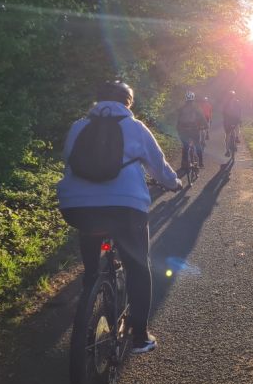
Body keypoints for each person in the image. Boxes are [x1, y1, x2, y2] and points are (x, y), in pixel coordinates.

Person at [57, 80, 181, 354]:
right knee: (138, 267)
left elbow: (68, 159)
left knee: (91, 250)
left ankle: (91, 284)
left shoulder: (78, 127)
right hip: (125, 210)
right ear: (128, 102)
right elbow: (158, 166)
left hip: (77, 208)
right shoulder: (135, 127)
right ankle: (140, 337)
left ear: (98, 101)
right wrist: (174, 183)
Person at [176, 91, 208, 169]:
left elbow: (178, 120)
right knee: (197, 145)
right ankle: (201, 163)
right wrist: (205, 125)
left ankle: (184, 164)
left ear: (186, 98)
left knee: (185, 146)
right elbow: (202, 118)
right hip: (194, 130)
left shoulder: (181, 108)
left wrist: (178, 129)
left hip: (183, 131)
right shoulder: (196, 108)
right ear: (193, 98)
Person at [222, 90, 242, 156]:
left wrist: (225, 119)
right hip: (235, 120)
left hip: (227, 121)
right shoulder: (237, 102)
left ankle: (227, 151)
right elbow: (239, 111)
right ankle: (237, 137)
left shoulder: (225, 103)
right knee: (237, 126)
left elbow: (223, 113)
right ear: (234, 96)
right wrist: (239, 119)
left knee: (227, 135)